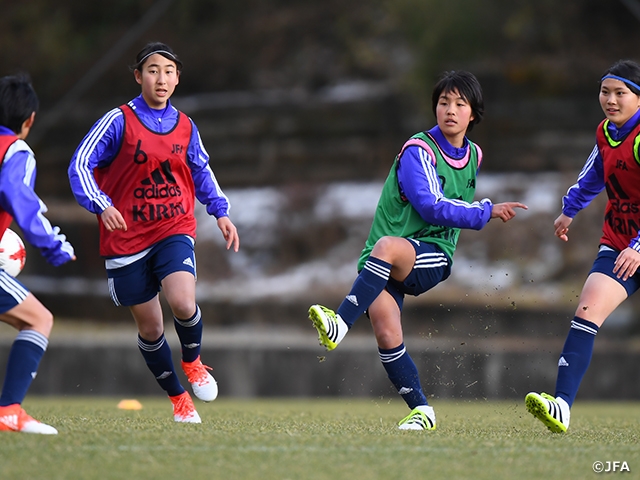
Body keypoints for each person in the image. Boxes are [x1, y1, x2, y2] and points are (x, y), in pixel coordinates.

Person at [309, 70, 527, 430]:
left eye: (460, 104)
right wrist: (484, 211)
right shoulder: (419, 150)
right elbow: (430, 204)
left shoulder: (473, 154)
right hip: (383, 260)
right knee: (386, 331)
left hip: (431, 253)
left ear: (474, 114)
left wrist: (481, 212)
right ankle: (422, 411)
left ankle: (339, 323)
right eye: (443, 102)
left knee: (388, 247)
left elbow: (435, 211)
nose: (450, 110)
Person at [68, 42, 239, 423]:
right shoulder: (118, 121)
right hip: (126, 238)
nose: (161, 78)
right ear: (138, 76)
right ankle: (179, 398)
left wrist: (221, 212)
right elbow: (80, 164)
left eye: (168, 71)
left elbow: (201, 171)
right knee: (151, 327)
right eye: (152, 70)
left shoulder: (186, 126)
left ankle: (193, 362)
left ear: (178, 78)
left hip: (172, 227)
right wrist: (101, 203)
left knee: (182, 301)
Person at [525, 59, 640, 433]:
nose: (610, 100)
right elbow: (594, 173)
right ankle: (561, 406)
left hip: (636, 246)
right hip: (619, 243)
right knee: (588, 308)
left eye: (620, 93)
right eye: (605, 92)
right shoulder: (607, 133)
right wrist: (569, 210)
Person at [0, 74, 76, 434]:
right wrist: (55, 245)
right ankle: (9, 411)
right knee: (38, 320)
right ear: (29, 120)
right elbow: (17, 196)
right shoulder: (15, 150)